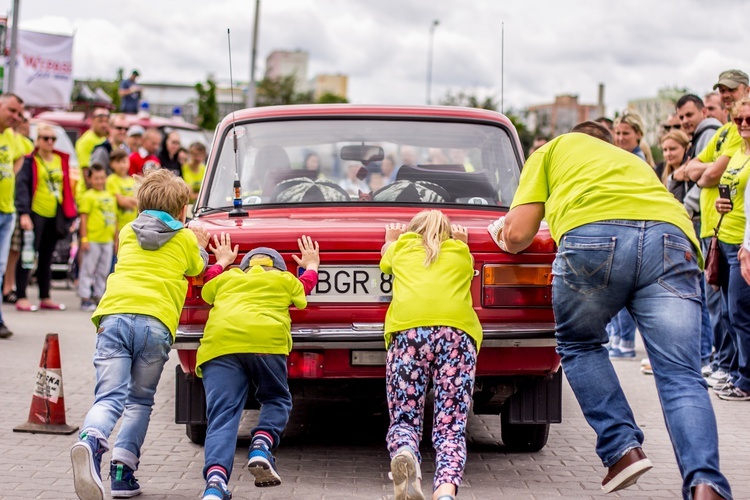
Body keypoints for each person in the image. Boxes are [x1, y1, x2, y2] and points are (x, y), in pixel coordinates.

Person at [489, 121, 732, 499]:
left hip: (594, 236)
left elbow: (519, 235)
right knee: (681, 375)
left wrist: (502, 232)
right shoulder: (629, 161)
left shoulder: (552, 150)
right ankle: (706, 484)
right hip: (672, 238)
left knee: (580, 344)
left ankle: (621, 449)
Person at [70, 169, 209, 500]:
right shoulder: (186, 238)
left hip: (113, 317)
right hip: (154, 323)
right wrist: (200, 244)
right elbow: (197, 269)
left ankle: (90, 439)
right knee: (139, 400)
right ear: (180, 210)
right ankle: (122, 473)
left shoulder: (127, 232)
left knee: (108, 397)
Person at [196, 235, 319, 500]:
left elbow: (207, 286)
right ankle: (261, 445)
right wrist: (312, 265)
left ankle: (215, 485)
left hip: (220, 345)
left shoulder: (228, 278)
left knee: (222, 416)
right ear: (278, 268)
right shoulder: (284, 280)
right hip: (266, 342)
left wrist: (222, 262)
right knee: (276, 398)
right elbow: (304, 288)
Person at [381, 210, 480, 500]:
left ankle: (406, 451)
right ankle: (446, 492)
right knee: (451, 423)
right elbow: (467, 264)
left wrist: (390, 239)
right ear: (449, 233)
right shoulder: (460, 253)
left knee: (405, 415)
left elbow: (385, 262)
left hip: (409, 334)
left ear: (412, 231)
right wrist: (463, 243)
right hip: (457, 337)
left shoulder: (400, 248)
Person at [685, 69, 748, 390]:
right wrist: (703, 171)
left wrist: (703, 171)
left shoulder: (739, 137)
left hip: (738, 237)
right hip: (717, 231)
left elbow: (707, 176)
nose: (743, 124)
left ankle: (738, 372)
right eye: (721, 90)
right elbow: (693, 168)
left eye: (731, 90)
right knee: (723, 305)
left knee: (735, 309)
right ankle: (728, 366)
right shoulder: (727, 133)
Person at [708, 97, 750, 401]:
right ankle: (736, 373)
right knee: (729, 313)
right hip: (726, 237)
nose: (745, 125)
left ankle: (746, 380)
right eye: (739, 120)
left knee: (740, 312)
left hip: (743, 244)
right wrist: (722, 203)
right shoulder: (737, 151)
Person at [14, 123, 77, 313]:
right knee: (27, 256)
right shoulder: (30, 161)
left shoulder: (60, 159)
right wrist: (24, 213)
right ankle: (22, 296)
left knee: (47, 257)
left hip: (55, 214)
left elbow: (67, 186)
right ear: (38, 141)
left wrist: (70, 214)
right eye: (45, 138)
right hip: (35, 213)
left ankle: (45, 296)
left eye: (53, 139)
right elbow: (22, 187)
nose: (50, 142)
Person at [0, 93, 24, 338]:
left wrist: (13, 171)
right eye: (13, 111)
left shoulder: (11, 137)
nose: (16, 118)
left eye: (19, 114)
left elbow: (23, 152)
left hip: (7, 212)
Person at [77, 164, 117, 311]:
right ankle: (85, 297)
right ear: (90, 179)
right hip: (93, 239)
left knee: (103, 271)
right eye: (96, 178)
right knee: (88, 269)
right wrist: (84, 238)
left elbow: (115, 219)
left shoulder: (110, 196)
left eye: (102, 178)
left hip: (107, 240)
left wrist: (115, 239)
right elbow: (84, 218)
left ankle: (99, 295)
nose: (99, 181)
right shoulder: (88, 196)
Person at [106, 150, 138, 234]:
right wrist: (130, 200)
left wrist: (126, 198)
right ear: (111, 164)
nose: (121, 165)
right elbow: (121, 202)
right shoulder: (111, 180)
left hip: (133, 225)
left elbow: (139, 202)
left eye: (124, 161)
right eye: (118, 162)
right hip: (117, 225)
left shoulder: (132, 181)